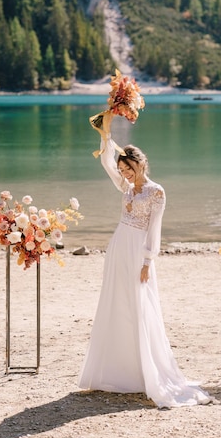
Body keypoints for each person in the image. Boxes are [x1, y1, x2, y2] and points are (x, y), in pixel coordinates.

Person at [78, 113, 211, 408]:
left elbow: (155, 228)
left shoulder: (156, 191)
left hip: (138, 250)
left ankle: (144, 372)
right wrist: (105, 136)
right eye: (122, 169)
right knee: (116, 302)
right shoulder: (126, 187)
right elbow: (106, 163)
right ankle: (116, 371)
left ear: (140, 164)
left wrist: (148, 262)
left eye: (128, 168)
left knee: (139, 305)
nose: (124, 173)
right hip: (118, 246)